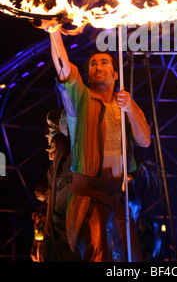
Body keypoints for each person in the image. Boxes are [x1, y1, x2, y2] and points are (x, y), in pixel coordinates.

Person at [37, 21, 151, 262]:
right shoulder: (81, 97)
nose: (98, 67)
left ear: (115, 73)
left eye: (104, 62)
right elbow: (64, 68)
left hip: (115, 192)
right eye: (93, 64)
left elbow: (144, 141)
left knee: (130, 257)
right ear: (88, 73)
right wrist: (54, 33)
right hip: (88, 192)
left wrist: (131, 107)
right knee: (96, 254)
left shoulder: (123, 106)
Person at [43, 108, 81, 262]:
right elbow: (52, 188)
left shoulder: (76, 153)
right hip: (59, 218)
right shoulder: (59, 158)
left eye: (52, 132)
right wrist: (48, 220)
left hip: (72, 216)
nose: (49, 138)